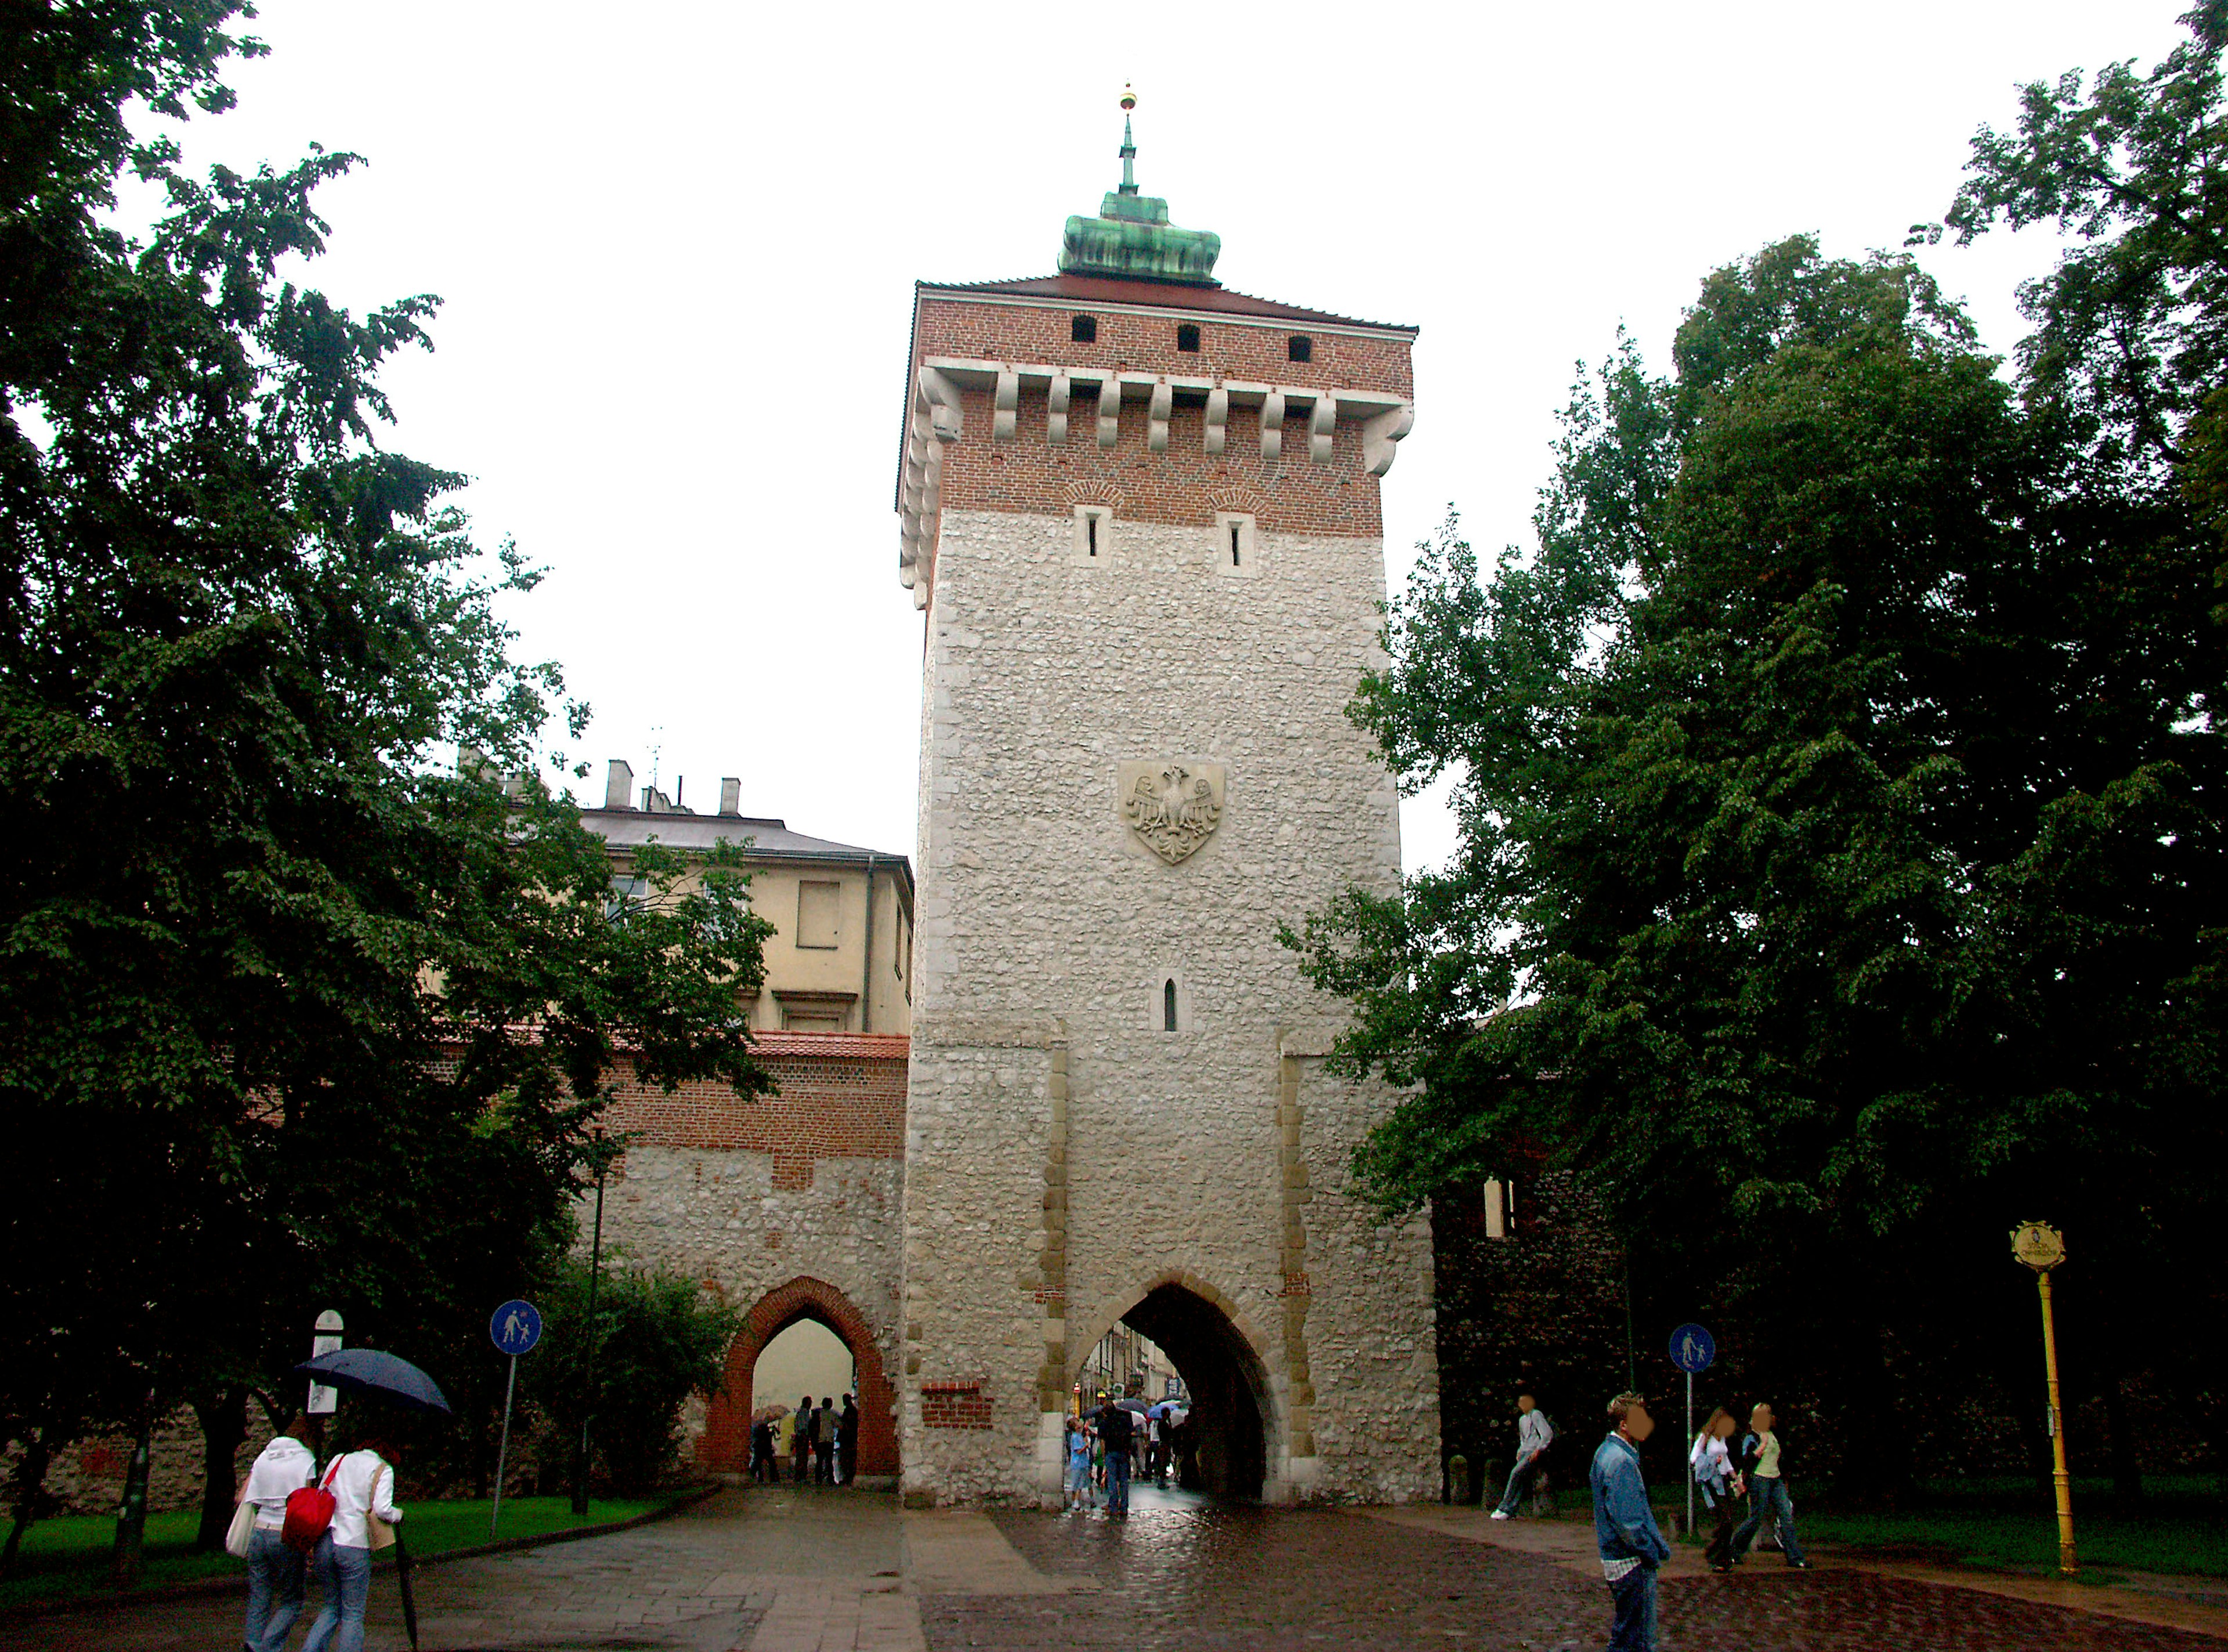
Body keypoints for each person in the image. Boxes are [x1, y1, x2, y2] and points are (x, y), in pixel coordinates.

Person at [301, 1434, 403, 1652]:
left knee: (330, 1606)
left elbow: (322, 1493)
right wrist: (399, 1515)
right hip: (354, 1543)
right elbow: (383, 1510)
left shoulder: (339, 1460)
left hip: (326, 1540)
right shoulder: (382, 1470)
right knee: (353, 1613)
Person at [1591, 1393, 1671, 1652]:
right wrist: (1649, 1552)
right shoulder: (1621, 1461)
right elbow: (1629, 1523)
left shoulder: (1606, 1453)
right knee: (1636, 1639)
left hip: (1618, 1559)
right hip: (1630, 1562)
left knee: (1628, 1634)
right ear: (1624, 1425)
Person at [239, 1412, 317, 1652]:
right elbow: (307, 1503)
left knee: (259, 1596)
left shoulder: (264, 1457)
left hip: (259, 1531)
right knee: (292, 1600)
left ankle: (252, 1643)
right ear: (307, 1437)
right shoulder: (306, 1460)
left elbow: (242, 1497)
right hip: (287, 1533)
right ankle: (266, 1648)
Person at [1731, 1402, 1807, 1567]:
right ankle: (1734, 1550)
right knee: (1756, 1518)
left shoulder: (1773, 1434)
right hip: (1760, 1479)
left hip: (1776, 1479)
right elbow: (1746, 1459)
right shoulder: (1753, 1436)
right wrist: (1763, 1446)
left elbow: (1779, 1459)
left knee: (1786, 1516)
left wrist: (1784, 1479)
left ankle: (1795, 1557)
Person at [1688, 1406, 1744, 1572]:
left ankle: (1722, 1556)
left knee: (1728, 1521)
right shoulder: (1706, 1438)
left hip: (1723, 1481)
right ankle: (1715, 1553)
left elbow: (1726, 1460)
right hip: (1712, 1482)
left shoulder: (1722, 1440)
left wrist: (1735, 1477)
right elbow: (1694, 1458)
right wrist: (1713, 1461)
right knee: (1725, 1520)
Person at [1489, 1392, 1555, 1519]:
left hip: (1533, 1452)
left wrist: (1539, 1449)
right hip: (1526, 1451)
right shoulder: (1522, 1419)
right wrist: (1520, 1450)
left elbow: (1547, 1434)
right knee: (1519, 1477)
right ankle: (1510, 1509)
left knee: (1515, 1474)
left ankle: (1504, 1507)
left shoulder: (1536, 1415)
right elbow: (1523, 1439)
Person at [1095, 1399, 1134, 1516]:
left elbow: (1102, 1442)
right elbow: (1130, 1434)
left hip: (1111, 1452)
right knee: (1124, 1481)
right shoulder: (1124, 1420)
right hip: (1123, 1452)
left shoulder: (1103, 1423)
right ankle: (1124, 1507)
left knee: (1112, 1480)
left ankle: (1113, 1507)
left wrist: (1103, 1456)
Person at [1065, 1412, 1095, 1510]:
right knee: (1078, 1484)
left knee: (1085, 1482)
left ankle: (1089, 1500)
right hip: (1078, 1463)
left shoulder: (1078, 1435)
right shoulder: (1074, 1437)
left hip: (1083, 1462)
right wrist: (1086, 1446)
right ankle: (1076, 1501)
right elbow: (1078, 1451)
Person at [814, 1396, 837, 1485]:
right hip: (829, 1441)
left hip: (820, 1440)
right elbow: (838, 1424)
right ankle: (830, 1479)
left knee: (819, 1461)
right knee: (829, 1461)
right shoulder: (832, 1414)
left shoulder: (818, 1414)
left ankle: (818, 1479)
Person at [838, 1394, 859, 1486]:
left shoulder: (850, 1410)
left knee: (847, 1459)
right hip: (849, 1438)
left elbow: (849, 1424)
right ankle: (848, 1477)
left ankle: (848, 1477)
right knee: (847, 1459)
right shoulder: (851, 1409)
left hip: (848, 1439)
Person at [749, 1414, 777, 1484]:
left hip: (759, 1448)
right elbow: (769, 1437)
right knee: (770, 1463)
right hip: (765, 1449)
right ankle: (773, 1478)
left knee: (757, 1463)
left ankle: (757, 1477)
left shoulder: (758, 1428)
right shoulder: (764, 1429)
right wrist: (773, 1431)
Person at [793, 1396, 815, 1484]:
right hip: (802, 1437)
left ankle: (800, 1476)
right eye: (810, 1403)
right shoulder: (803, 1413)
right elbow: (803, 1428)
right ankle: (801, 1477)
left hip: (802, 1437)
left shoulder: (803, 1413)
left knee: (802, 1458)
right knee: (802, 1458)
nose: (811, 1404)